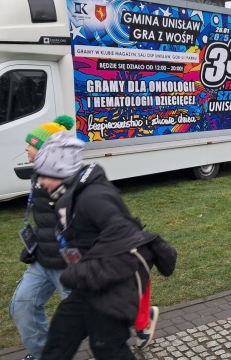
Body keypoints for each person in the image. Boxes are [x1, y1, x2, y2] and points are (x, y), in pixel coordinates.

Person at [35, 132, 176, 359]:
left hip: (114, 289)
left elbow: (130, 245)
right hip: (90, 287)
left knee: (107, 348)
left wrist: (82, 272)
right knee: (59, 340)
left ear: (60, 172)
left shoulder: (93, 198)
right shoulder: (75, 194)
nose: (41, 182)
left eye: (44, 175)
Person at [9, 115, 74, 360]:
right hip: (42, 260)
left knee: (92, 316)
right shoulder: (39, 175)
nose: (26, 148)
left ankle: (139, 319)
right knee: (22, 307)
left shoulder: (71, 181)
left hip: (69, 265)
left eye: (31, 144)